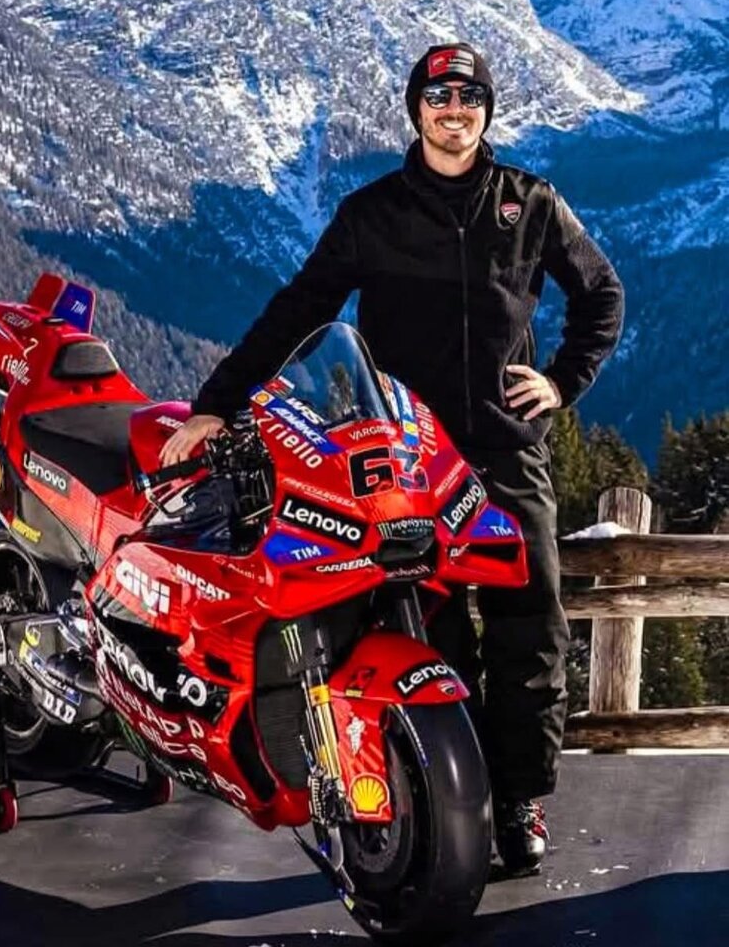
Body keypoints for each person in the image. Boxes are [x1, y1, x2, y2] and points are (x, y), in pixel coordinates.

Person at [161, 42, 624, 874]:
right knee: (429, 636)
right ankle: (453, 803)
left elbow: (603, 295)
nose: (455, 111)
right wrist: (215, 404)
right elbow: (297, 310)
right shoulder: (370, 214)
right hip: (405, 460)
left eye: (469, 97)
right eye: (439, 97)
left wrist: (561, 382)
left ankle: (519, 802)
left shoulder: (530, 202)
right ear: (416, 111)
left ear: (486, 109)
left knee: (531, 632)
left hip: (506, 455)